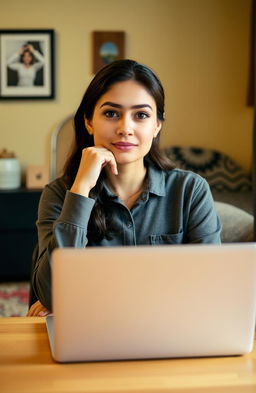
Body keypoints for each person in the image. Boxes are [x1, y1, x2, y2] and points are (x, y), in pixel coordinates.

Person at [27, 59, 221, 317]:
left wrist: (83, 299)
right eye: (111, 113)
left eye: (141, 115)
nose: (125, 128)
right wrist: (81, 188)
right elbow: (51, 293)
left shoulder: (190, 190)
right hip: (90, 335)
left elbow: (211, 288)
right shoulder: (60, 193)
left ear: (157, 126)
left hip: (169, 330)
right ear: (89, 121)